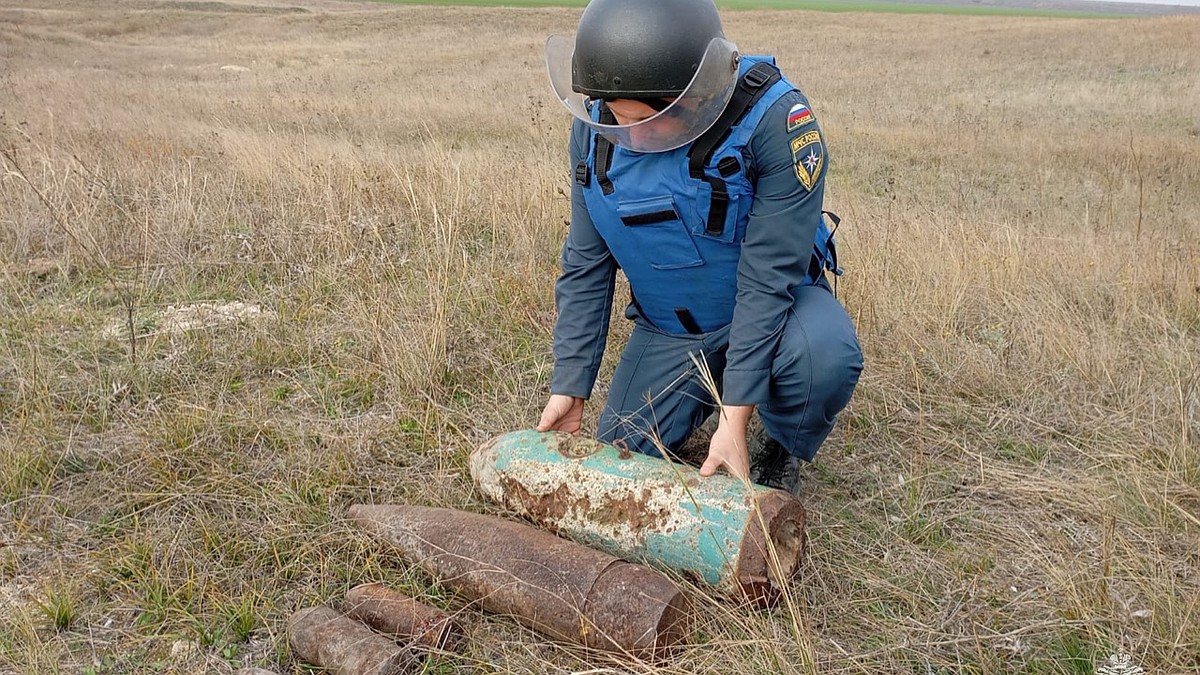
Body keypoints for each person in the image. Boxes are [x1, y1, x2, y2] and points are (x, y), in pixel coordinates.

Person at [535, 0, 863, 494]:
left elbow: (767, 278)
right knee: (621, 449)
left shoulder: (776, 122)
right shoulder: (593, 132)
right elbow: (585, 265)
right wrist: (571, 384)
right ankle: (700, 396)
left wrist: (735, 421)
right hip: (673, 326)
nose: (631, 136)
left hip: (771, 313)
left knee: (822, 356)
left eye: (649, 119)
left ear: (695, 93)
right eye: (617, 118)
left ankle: (782, 444)